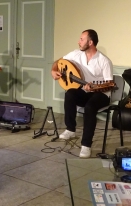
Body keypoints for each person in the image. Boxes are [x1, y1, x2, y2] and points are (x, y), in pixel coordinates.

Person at [51, 29, 113, 158]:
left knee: (90, 107)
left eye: (81, 39)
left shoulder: (104, 61)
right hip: (85, 91)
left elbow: (109, 84)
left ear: (90, 42)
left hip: (102, 94)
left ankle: (86, 145)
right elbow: (58, 62)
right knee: (70, 94)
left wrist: (95, 87)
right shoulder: (76, 54)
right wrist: (53, 70)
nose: (78, 42)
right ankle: (70, 129)